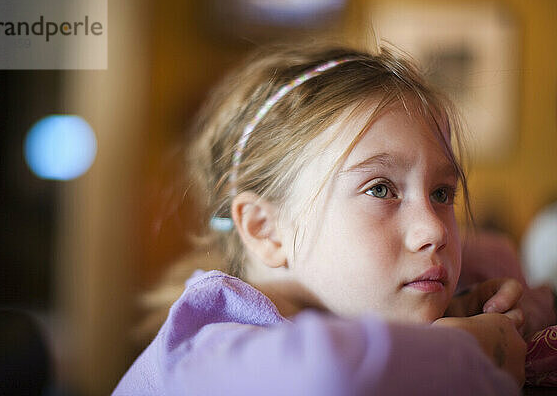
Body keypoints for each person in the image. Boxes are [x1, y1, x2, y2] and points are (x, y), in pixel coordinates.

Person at [113, 43, 530, 395]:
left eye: (441, 194)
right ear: (265, 228)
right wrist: (468, 350)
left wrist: (466, 308)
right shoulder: (210, 342)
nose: (435, 229)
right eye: (380, 189)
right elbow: (330, 374)